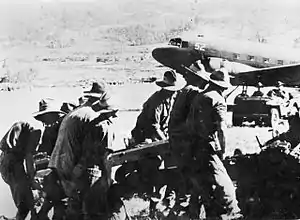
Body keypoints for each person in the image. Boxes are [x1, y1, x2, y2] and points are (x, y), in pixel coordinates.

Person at [46, 80, 121, 220]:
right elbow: (97, 154)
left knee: (75, 209)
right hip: (80, 170)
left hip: (61, 166)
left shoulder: (75, 112)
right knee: (92, 210)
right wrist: (108, 179)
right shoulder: (96, 120)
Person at [184, 68, 242, 219]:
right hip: (207, 147)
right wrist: (222, 151)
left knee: (203, 185)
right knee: (226, 188)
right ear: (222, 87)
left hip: (193, 147)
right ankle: (232, 215)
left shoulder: (200, 97)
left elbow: (189, 123)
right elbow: (222, 129)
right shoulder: (218, 100)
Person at [33, 98, 76, 220]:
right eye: (44, 118)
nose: (47, 121)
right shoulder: (48, 131)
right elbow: (44, 150)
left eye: (48, 117)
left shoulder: (65, 129)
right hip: (54, 175)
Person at [0, 121, 42, 220]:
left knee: (25, 199)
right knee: (25, 202)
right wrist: (32, 178)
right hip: (12, 165)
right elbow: (29, 157)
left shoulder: (22, 127)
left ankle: (32, 214)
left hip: (6, 165)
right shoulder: (35, 132)